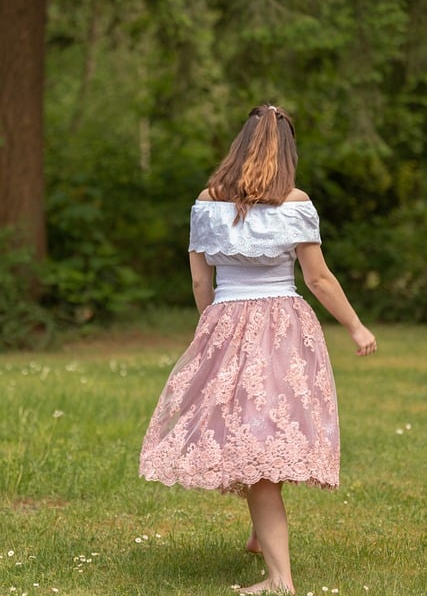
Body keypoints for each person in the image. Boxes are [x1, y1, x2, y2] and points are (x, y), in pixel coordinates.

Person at [139, 104, 377, 595]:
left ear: (240, 144)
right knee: (266, 427)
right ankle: (276, 569)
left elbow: (201, 281)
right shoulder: (295, 201)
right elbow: (317, 278)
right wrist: (355, 326)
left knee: (257, 431)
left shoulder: (207, 202)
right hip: (284, 324)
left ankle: (276, 572)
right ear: (287, 150)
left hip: (228, 321)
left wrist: (209, 329)